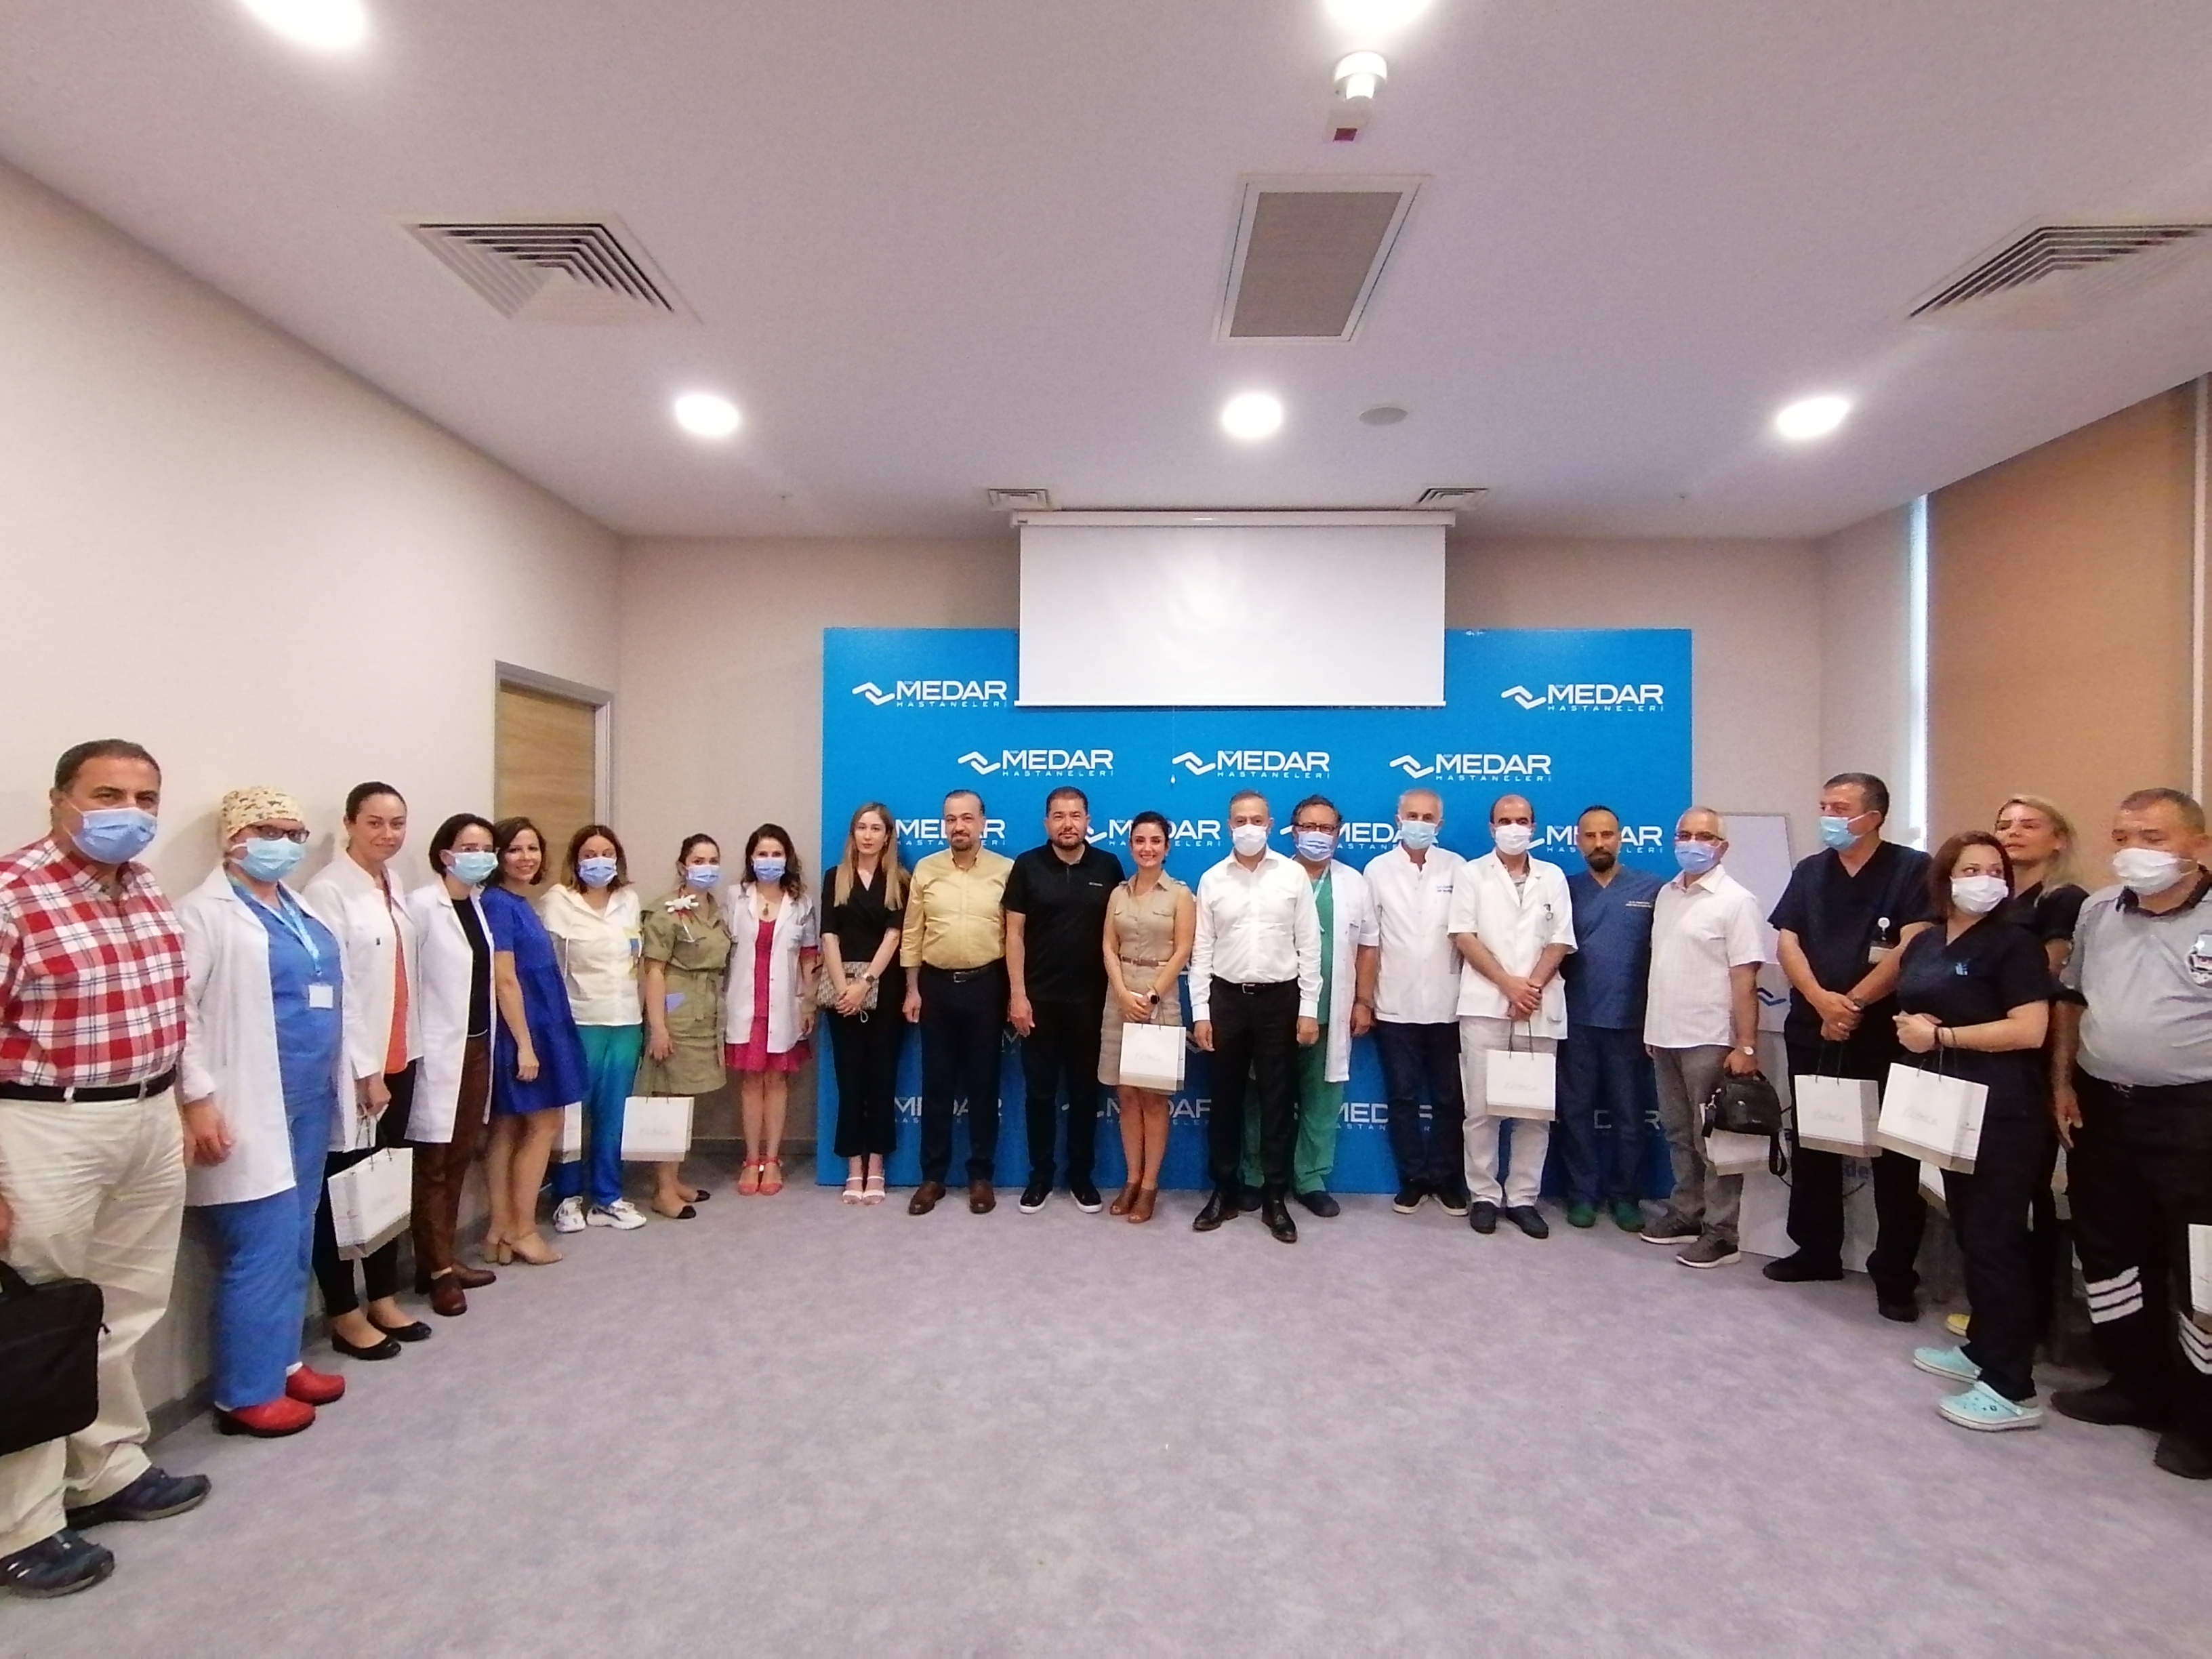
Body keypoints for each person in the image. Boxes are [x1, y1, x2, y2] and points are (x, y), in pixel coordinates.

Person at [0, 741, 207, 1600]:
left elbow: (170, 1007)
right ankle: (21, 1524)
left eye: (145, 797)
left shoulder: (145, 887)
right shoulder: (13, 894)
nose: (130, 811)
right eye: (108, 794)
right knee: (35, 1323)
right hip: (46, 1124)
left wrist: (186, 1103)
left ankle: (106, 1467)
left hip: (147, 1113)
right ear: (60, 801)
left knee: (124, 1306)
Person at [177, 788, 350, 1435]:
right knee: (261, 1245)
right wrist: (198, 1099)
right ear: (234, 838)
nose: (285, 844)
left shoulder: (298, 909)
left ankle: (281, 1362)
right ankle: (244, 1393)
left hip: (308, 1096)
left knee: (297, 1236)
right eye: (269, 831)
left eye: (294, 833)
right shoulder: (202, 914)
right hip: (247, 1100)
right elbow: (180, 1015)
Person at [2049, 787, 2212, 1478]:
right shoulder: (2098, 910)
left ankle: (2202, 1418)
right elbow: (2071, 999)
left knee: (2199, 1266)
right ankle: (2134, 1382)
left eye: (2152, 837)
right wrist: (2061, 1080)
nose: (2133, 851)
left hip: (2194, 1114)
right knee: (2111, 1248)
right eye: (2122, 837)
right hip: (2103, 1106)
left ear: (2198, 846)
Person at [1889, 832, 2055, 1431]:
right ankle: (1984, 1348)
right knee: (1970, 1231)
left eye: (1994, 870)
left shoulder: (2015, 945)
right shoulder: (1927, 940)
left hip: (2002, 1110)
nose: (1984, 880)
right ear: (1945, 880)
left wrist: (1942, 1036)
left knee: (1995, 1242)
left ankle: (2012, 1387)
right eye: (1970, 869)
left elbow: (2030, 1029)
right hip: (1946, 1104)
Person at [1765, 772, 1933, 1321]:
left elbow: (1913, 944)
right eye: (1824, 806)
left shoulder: (1913, 869)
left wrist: (1853, 1004)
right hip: (1814, 1027)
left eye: (1839, 808)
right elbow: (1788, 941)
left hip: (1883, 1032)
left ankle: (1895, 1275)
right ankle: (1816, 1250)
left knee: (1894, 1157)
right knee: (1814, 1141)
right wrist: (1821, 1002)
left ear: (1874, 816)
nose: (1828, 817)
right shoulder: (1811, 872)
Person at [302, 782, 430, 1360]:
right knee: (343, 1192)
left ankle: (382, 1297)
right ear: (350, 824)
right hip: (360, 1068)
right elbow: (341, 990)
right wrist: (365, 1070)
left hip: (402, 1056)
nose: (387, 834)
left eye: (397, 823)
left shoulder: (391, 884)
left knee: (385, 1185)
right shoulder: (328, 890)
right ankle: (344, 1312)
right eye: (375, 822)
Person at [1189, 790, 1320, 1245]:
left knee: (1278, 1103)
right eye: (1240, 820)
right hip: (1226, 1000)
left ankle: (1275, 1197)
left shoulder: (1292, 875)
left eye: (1257, 820)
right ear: (1229, 826)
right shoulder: (1212, 879)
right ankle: (1224, 1191)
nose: (1249, 827)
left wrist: (1308, 1009)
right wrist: (1201, 1013)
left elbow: (1309, 946)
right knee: (1224, 1101)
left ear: (1270, 825)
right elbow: (1202, 950)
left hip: (1279, 1001)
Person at [1640, 808, 1767, 1269]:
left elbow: (1745, 978)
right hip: (1665, 1034)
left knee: (1713, 1141)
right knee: (1678, 1133)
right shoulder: (1668, 894)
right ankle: (1687, 1213)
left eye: (1704, 836)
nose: (1692, 843)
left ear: (1722, 847)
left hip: (1709, 1037)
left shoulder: (1737, 901)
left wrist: (1746, 1045)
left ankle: (1722, 1232)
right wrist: (1652, 1028)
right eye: (1685, 834)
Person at [1240, 796, 1376, 1218]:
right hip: (1275, 1009)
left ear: (1338, 833)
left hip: (1331, 1009)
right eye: (1309, 827)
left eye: (1326, 828)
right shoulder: (1272, 875)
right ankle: (1256, 1176)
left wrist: (1363, 1001)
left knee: (1322, 1099)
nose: (1318, 835)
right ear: (1293, 830)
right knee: (1262, 1096)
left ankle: (1311, 1179)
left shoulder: (1354, 883)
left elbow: (1368, 946)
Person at [1449, 793, 1576, 1240]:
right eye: (1505, 820)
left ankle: (1523, 1198)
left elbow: (1560, 940)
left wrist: (1530, 988)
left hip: (1538, 1005)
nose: (1514, 828)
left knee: (1532, 1109)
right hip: (1486, 1002)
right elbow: (1464, 935)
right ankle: (1484, 1195)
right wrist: (1508, 984)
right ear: (1492, 828)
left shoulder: (1552, 876)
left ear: (1534, 827)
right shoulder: (1471, 874)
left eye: (1522, 820)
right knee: (1480, 1108)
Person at [1989, 793, 2088, 1342]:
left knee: (2028, 1192)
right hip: (1990, 1053)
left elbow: (2044, 976)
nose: (2013, 832)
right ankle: (2002, 1312)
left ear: (2059, 839)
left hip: (2036, 1055)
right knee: (1994, 1199)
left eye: (2029, 824)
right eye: (2004, 824)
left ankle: (2035, 1318)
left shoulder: (2063, 900)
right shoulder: (1996, 900)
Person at [1004, 787, 1124, 1214]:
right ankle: (1040, 1176)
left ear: (1088, 821)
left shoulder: (1108, 866)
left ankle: (1081, 1176)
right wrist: (1018, 995)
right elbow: (1013, 934)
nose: (1067, 824)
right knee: (1039, 1094)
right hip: (1039, 1002)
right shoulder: (1027, 865)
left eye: (1075, 816)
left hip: (1092, 1003)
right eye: (1058, 816)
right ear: (1046, 823)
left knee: (1085, 1093)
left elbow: (1118, 934)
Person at [404, 814, 502, 1313]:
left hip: (477, 1046)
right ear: (445, 855)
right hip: (438, 1051)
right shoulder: (422, 906)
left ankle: (444, 1257)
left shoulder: (476, 904)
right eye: (469, 847)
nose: (480, 856)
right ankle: (436, 1270)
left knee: (461, 1153)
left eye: (487, 848)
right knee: (433, 1163)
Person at [480, 817, 589, 1266]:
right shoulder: (498, 904)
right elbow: (504, 978)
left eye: (532, 848)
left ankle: (500, 1229)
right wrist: (525, 1044)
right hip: (527, 1027)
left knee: (508, 1126)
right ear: (497, 857)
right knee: (544, 1125)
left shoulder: (517, 902)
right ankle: (522, 1229)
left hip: (539, 1021)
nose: (526, 858)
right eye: (514, 849)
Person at [901, 791, 1013, 1216]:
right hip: (936, 986)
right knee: (937, 1086)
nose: (959, 826)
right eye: (951, 819)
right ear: (943, 825)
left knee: (984, 1086)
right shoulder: (926, 870)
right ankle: (933, 1177)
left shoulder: (1006, 870)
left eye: (967, 818)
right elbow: (912, 933)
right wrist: (912, 989)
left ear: (983, 822)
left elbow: (1015, 936)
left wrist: (1014, 993)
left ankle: (981, 1177)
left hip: (987, 985)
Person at [1558, 804, 1664, 1232]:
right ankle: (1581, 1195)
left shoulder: (1652, 890)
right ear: (1577, 841)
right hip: (1576, 1020)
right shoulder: (1565, 889)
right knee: (1576, 1112)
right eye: (1590, 836)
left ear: (1620, 838)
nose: (1599, 843)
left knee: (1629, 1115)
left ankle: (1625, 1195)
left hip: (1630, 1021)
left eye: (1607, 835)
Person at [1366, 788, 1470, 1215]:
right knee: (1403, 1097)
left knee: (1450, 1099)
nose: (1419, 824)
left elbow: (1469, 934)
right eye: (1412, 815)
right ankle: (1412, 1178)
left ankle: (1445, 1179)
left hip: (1450, 1004)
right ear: (1398, 819)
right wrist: (1363, 1000)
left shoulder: (1459, 868)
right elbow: (1370, 940)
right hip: (1395, 1003)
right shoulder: (1377, 870)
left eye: (1428, 818)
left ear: (1440, 824)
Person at [540, 825, 649, 1233]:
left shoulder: (628, 900)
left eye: (606, 854)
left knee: (613, 1112)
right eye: (589, 854)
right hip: (579, 1020)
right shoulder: (558, 902)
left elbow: (636, 960)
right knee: (573, 1113)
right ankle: (567, 1197)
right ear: (576, 860)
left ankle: (607, 1196)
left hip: (625, 1020)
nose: (598, 862)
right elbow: (548, 968)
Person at [1099, 812, 1193, 1225]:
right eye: (1140, 840)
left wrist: (1152, 994)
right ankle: (1131, 1179)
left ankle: (1150, 1185)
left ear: (1167, 847)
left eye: (1156, 841)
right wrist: (1123, 993)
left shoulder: (1180, 895)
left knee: (1153, 1099)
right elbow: (1108, 945)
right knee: (1126, 1095)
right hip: (1119, 997)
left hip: (1160, 999)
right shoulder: (1118, 893)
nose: (1147, 848)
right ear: (1131, 845)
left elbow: (1184, 949)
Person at [638, 834, 731, 1219]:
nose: (706, 868)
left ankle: (674, 1179)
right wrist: (658, 1027)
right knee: (669, 1099)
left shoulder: (714, 909)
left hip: (706, 1010)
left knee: (686, 1098)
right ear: (682, 866)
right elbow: (654, 971)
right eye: (698, 860)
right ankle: (662, 1190)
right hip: (675, 1009)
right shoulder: (666, 911)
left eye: (713, 860)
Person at [726, 825, 819, 1195]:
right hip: (745, 1003)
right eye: (762, 854)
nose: (769, 861)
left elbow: (809, 956)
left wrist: (808, 1001)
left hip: (784, 1004)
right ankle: (751, 1160)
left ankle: (773, 1159)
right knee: (751, 1082)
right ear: (751, 859)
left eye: (776, 854)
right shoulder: (734, 898)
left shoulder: (801, 903)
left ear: (787, 859)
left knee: (777, 1081)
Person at [821, 806, 905, 1206]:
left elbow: (894, 936)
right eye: (861, 828)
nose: (868, 835)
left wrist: (865, 984)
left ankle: (877, 1166)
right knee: (850, 1081)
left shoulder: (899, 880)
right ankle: (854, 1166)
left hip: (885, 990)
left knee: (882, 1081)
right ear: (852, 833)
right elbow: (829, 935)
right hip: (841, 993)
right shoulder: (834, 878)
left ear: (888, 836)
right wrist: (845, 990)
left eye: (876, 829)